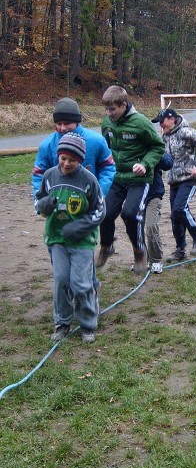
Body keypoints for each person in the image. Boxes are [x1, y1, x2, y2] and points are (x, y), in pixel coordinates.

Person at [32, 97, 116, 286]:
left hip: (84, 206)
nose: (62, 128)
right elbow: (38, 174)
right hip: (57, 208)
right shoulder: (47, 145)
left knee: (83, 247)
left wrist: (99, 193)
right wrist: (41, 202)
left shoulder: (95, 141)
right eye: (58, 123)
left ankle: (89, 286)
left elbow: (109, 167)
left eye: (67, 123)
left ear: (78, 121)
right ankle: (65, 286)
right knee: (57, 244)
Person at [35, 132, 106, 343]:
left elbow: (100, 210)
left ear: (80, 160)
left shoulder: (88, 180)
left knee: (81, 283)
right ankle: (62, 321)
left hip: (82, 240)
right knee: (61, 279)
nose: (66, 164)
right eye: (63, 158)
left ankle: (88, 323)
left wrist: (81, 226)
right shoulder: (49, 176)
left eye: (72, 160)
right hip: (57, 238)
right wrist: (43, 205)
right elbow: (38, 201)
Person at [97, 85, 165, 273]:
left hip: (139, 179)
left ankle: (139, 251)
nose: (109, 113)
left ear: (123, 105)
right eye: (106, 109)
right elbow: (106, 148)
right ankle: (107, 246)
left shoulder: (141, 122)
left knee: (130, 213)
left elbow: (158, 147)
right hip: (118, 177)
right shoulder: (107, 124)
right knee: (105, 212)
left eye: (112, 109)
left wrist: (145, 163)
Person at [151, 108, 196, 262]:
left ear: (171, 119)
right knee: (175, 216)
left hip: (189, 179)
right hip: (173, 181)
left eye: (162, 121)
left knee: (180, 209)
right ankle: (180, 250)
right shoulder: (164, 137)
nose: (160, 125)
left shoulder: (186, 132)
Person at [145, 152, 173, 274]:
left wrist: (155, 147)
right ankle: (141, 258)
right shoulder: (128, 144)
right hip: (134, 193)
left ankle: (155, 259)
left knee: (151, 226)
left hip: (153, 194)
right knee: (135, 228)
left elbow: (168, 163)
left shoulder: (153, 144)